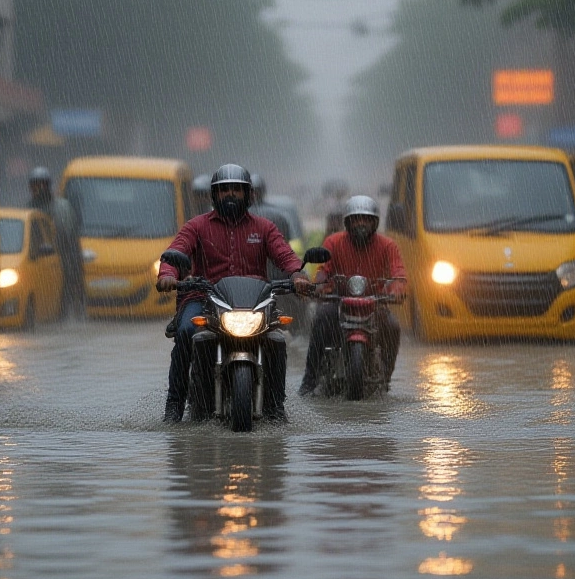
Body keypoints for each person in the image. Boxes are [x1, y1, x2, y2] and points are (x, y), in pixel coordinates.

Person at [155, 163, 313, 423]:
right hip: (205, 298)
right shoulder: (196, 226)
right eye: (224, 190)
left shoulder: (264, 228)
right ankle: (174, 405)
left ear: (249, 194)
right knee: (186, 332)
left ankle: (276, 407)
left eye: (236, 190)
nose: (230, 195)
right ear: (214, 196)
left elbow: (286, 256)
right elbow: (176, 251)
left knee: (276, 338)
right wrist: (167, 275)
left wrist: (298, 275)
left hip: (255, 301)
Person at [299, 195, 407, 396]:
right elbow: (324, 269)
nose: (361, 224)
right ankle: (309, 379)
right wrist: (319, 285)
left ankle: (386, 378)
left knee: (392, 327)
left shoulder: (388, 245)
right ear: (347, 222)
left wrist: (396, 291)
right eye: (356, 219)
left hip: (375, 303)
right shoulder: (333, 241)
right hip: (340, 301)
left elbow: (398, 274)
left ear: (374, 222)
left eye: (365, 219)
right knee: (321, 319)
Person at [28, 167, 83, 318]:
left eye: (41, 185)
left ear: (48, 186)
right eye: (34, 186)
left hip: (62, 263)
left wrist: (72, 270)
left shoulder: (62, 208)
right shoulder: (29, 209)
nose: (37, 190)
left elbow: (69, 240)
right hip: (37, 264)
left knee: (62, 301)